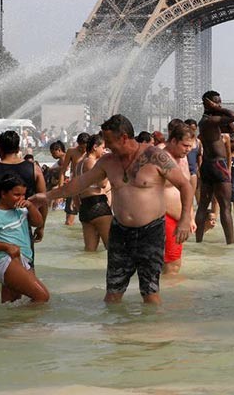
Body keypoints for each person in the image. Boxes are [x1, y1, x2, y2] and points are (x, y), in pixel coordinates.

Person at [31, 114, 193, 304]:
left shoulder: (155, 156)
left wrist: (184, 220)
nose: (106, 146)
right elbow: (79, 183)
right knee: (113, 294)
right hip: (120, 232)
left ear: (123, 137)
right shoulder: (108, 162)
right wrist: (46, 196)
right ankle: (113, 332)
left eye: (109, 141)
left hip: (151, 232)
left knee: (150, 293)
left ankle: (151, 332)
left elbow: (185, 186)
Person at [0, 174, 50, 303]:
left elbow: (37, 222)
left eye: (23, 195)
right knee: (42, 296)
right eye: (16, 195)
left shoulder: (21, 209)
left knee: (11, 305)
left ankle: (10, 323)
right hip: (7, 261)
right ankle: (30, 322)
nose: (21, 198)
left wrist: (30, 206)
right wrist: (6, 246)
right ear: (3, 194)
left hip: (21, 260)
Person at [196, 91, 234, 244]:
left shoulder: (206, 121)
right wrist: (219, 109)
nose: (219, 104)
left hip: (208, 165)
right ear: (209, 103)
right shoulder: (211, 120)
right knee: (225, 206)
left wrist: (218, 110)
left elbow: (233, 130)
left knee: (203, 205)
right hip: (218, 165)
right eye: (216, 102)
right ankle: (231, 243)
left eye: (220, 102)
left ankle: (199, 241)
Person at [163, 120, 198, 274]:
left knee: (173, 264)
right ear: (173, 141)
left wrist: (190, 216)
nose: (188, 150)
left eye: (190, 146)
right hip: (165, 217)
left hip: (180, 219)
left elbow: (187, 189)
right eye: (185, 145)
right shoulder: (161, 158)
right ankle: (173, 296)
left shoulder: (183, 158)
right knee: (172, 265)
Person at [76, 133, 113, 251]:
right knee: (113, 248)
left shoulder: (79, 164)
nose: (104, 151)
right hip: (98, 205)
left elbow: (76, 189)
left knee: (90, 251)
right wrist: (108, 167)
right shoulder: (92, 162)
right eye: (103, 147)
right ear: (95, 147)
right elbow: (102, 184)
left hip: (84, 207)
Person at [59, 132, 90, 225]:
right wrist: (60, 189)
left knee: (88, 220)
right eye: (80, 147)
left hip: (87, 188)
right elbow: (63, 170)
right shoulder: (71, 151)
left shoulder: (92, 152)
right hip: (74, 187)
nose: (83, 150)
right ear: (77, 143)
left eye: (85, 147)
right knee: (69, 222)